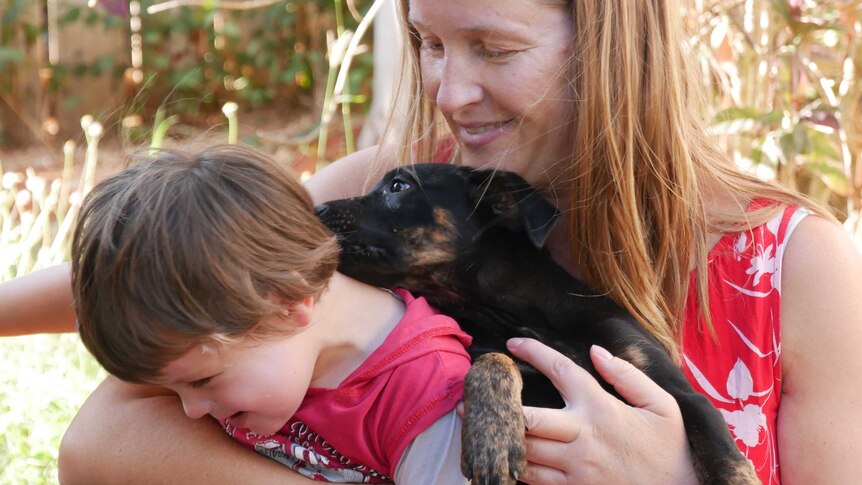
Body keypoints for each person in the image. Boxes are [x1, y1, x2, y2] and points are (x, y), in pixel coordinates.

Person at [0, 0, 859, 483]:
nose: (449, 90)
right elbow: (110, 417)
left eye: (492, 47)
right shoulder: (405, 194)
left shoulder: (795, 271)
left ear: (611, 42)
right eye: (428, 42)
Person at [66, 145, 472, 484]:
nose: (190, 412)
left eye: (202, 380)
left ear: (287, 300)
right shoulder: (265, 353)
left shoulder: (427, 395)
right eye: (177, 391)